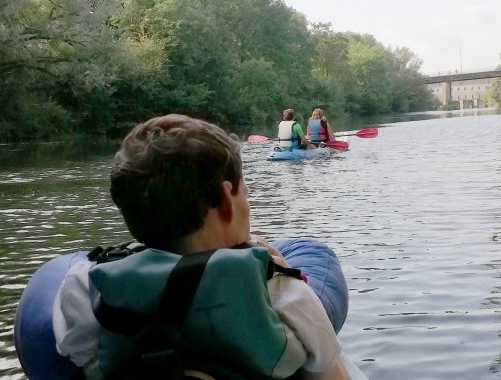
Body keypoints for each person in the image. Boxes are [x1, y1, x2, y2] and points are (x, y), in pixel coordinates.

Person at [52, 114, 348, 380]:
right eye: (245, 192)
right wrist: (282, 270)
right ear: (226, 200)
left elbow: (80, 354)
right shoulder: (280, 290)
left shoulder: (83, 286)